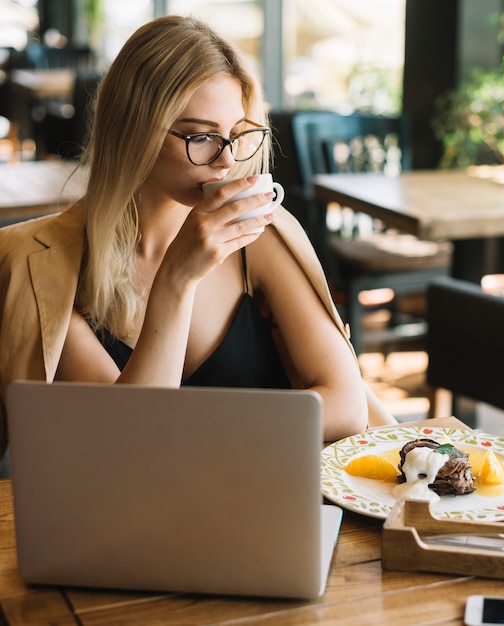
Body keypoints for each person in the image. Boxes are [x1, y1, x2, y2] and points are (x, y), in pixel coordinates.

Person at [0, 15, 396, 458]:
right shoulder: (48, 268)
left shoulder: (258, 237)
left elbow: (347, 405)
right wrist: (176, 279)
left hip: (269, 501)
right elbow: (134, 447)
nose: (226, 161)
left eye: (237, 135)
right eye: (201, 136)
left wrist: (193, 426)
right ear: (132, 129)